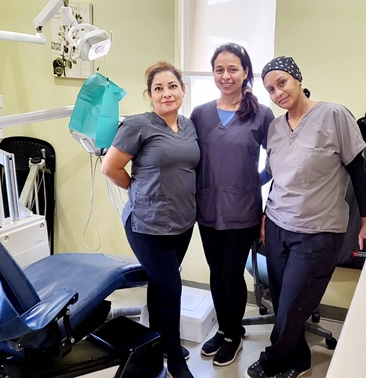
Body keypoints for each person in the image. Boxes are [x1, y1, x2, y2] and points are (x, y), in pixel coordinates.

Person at [245, 56, 366, 378]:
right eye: (270, 89)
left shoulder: (333, 115)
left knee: (294, 306)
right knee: (285, 304)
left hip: (319, 232)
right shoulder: (275, 128)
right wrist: (241, 190)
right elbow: (274, 175)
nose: (277, 92)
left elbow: (357, 172)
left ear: (297, 79)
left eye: (282, 83)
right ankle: (300, 360)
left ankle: (271, 361)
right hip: (279, 226)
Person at [101, 61, 199, 378]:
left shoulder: (188, 125)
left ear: (183, 90)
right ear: (149, 95)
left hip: (183, 222)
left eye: (172, 86)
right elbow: (110, 167)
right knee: (170, 286)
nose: (166, 93)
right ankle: (174, 355)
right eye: (159, 88)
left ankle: (159, 344)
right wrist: (136, 188)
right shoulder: (138, 125)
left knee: (161, 288)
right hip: (147, 222)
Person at [189, 43, 275, 367]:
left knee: (231, 273)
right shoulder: (199, 114)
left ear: (245, 72)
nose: (226, 75)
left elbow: (279, 158)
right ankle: (224, 330)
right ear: (213, 73)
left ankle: (233, 334)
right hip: (207, 209)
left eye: (233, 69)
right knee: (215, 272)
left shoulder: (261, 114)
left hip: (243, 212)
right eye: (219, 69)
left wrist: (257, 180)